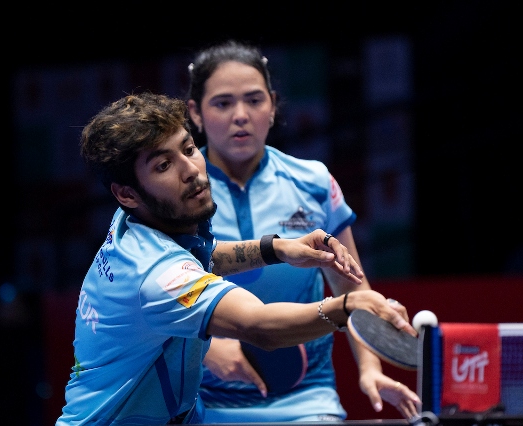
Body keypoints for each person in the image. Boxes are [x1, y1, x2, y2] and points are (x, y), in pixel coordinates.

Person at [55, 92, 419, 425]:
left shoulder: (133, 222)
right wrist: (347, 307)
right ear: (126, 193)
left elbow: (200, 258)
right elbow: (258, 326)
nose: (191, 170)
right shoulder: (154, 275)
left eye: (188, 149)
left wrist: (277, 249)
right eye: (163, 166)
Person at [185, 39, 420, 421]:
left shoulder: (313, 182)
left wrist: (370, 368)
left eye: (254, 100)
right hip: (201, 399)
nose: (240, 115)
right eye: (223, 103)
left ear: (273, 105)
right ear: (196, 112)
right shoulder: (177, 192)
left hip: (306, 398)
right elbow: (151, 294)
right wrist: (206, 349)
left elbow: (351, 288)